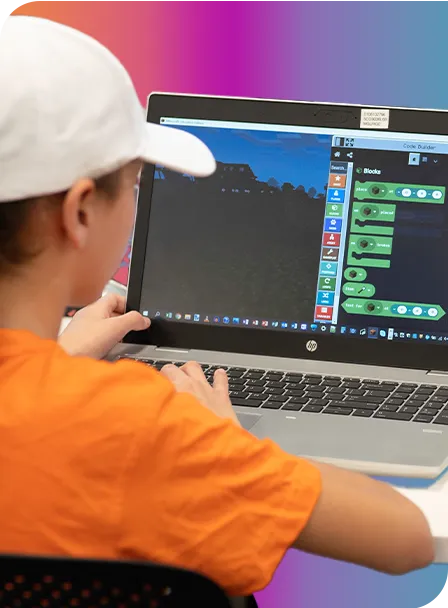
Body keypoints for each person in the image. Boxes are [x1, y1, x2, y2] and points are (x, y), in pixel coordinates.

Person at [0, 15, 434, 599]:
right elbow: (405, 539)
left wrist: (52, 358)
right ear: (79, 212)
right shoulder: (147, 427)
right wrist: (222, 435)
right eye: (134, 184)